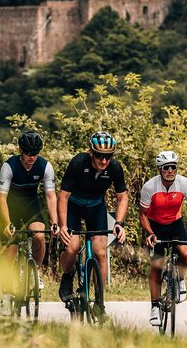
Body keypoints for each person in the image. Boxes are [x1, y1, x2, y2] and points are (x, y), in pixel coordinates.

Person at [56, 131, 128, 318]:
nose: (103, 160)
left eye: (108, 156)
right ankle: (68, 275)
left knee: (100, 252)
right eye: (99, 155)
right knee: (72, 247)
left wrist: (119, 223)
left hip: (96, 207)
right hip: (74, 205)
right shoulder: (78, 163)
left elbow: (123, 197)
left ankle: (99, 302)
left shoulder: (115, 168)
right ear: (91, 152)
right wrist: (63, 226)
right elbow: (63, 196)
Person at [139, 151, 187, 326]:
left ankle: (180, 279)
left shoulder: (184, 183)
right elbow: (143, 215)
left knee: (184, 252)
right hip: (155, 226)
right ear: (159, 169)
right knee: (156, 266)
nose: (170, 171)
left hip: (175, 224)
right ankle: (155, 306)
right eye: (166, 168)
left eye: (173, 167)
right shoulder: (149, 187)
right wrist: (150, 233)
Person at [0, 130, 59, 316]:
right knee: (11, 251)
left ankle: (36, 272)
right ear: (20, 150)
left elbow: (50, 196)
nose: (32, 157)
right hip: (11, 206)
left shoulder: (45, 166)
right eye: (29, 153)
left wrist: (55, 222)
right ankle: (6, 297)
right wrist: (7, 223)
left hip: (32, 205)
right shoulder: (9, 166)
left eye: (36, 153)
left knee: (39, 236)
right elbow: (1, 198)